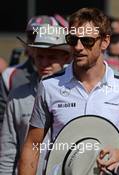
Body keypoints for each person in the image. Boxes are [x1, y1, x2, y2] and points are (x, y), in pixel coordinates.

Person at [19, 8, 119, 175]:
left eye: (87, 41)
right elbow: (32, 144)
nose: (78, 47)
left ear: (105, 41)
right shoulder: (49, 85)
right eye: (72, 39)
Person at [0, 24, 71, 175]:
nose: (44, 63)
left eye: (51, 57)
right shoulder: (17, 96)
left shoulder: (78, 93)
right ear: (33, 56)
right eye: (40, 56)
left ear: (66, 57)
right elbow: (9, 151)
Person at [0, 15, 66, 129]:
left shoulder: (72, 76)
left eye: (41, 34)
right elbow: (3, 122)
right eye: (32, 35)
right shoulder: (9, 75)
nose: (37, 40)